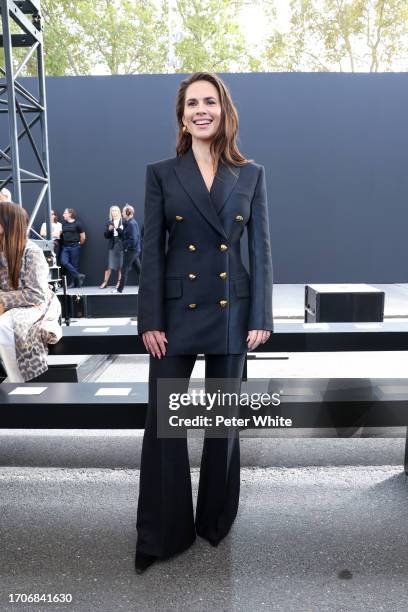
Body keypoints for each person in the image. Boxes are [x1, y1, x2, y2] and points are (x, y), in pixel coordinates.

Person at [135, 72, 273, 574]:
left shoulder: (251, 175)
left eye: (209, 101)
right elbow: (151, 251)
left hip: (232, 311)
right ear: (182, 114)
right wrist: (149, 316)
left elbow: (260, 249)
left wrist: (260, 313)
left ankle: (214, 520)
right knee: (164, 427)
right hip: (173, 315)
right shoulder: (161, 173)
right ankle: (163, 532)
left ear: (223, 110)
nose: (200, 110)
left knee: (222, 427)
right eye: (191, 102)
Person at [0, 202, 59, 382]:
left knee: (4, 326)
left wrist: (2, 300)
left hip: (35, 306)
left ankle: (17, 382)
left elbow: (36, 295)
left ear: (9, 223)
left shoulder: (32, 252)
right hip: (9, 304)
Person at [115, 204, 141, 294]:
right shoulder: (129, 222)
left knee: (124, 270)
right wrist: (119, 231)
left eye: (123, 211)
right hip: (134, 250)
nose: (122, 213)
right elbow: (126, 237)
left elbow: (133, 239)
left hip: (131, 251)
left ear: (127, 212)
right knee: (139, 270)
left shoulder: (131, 223)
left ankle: (119, 290)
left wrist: (126, 247)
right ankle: (148, 287)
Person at [60, 208, 86, 289]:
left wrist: (78, 244)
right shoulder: (63, 224)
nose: (63, 214)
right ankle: (79, 276)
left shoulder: (78, 224)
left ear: (70, 214)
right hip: (65, 247)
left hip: (74, 246)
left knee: (75, 265)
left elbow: (83, 237)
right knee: (64, 261)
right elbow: (60, 233)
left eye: (65, 213)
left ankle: (74, 283)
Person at [100, 205, 124, 289]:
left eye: (115, 210)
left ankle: (119, 283)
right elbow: (106, 236)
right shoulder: (109, 222)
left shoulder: (123, 221)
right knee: (109, 264)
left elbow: (125, 234)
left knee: (120, 265)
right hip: (113, 243)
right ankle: (105, 282)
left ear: (119, 211)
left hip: (121, 243)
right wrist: (109, 230)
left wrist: (117, 228)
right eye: (112, 211)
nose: (114, 212)